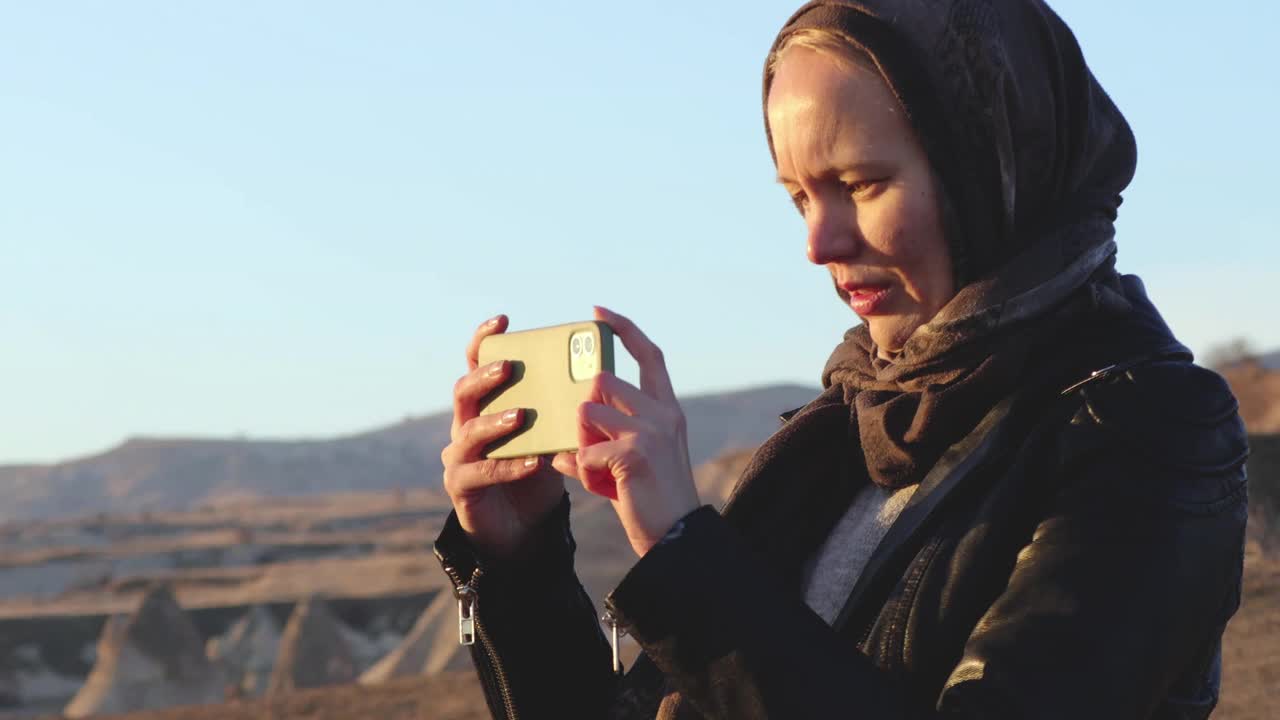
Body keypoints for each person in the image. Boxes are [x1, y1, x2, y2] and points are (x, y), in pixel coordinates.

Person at [434, 1, 1250, 718]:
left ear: (992, 164)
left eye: (859, 184)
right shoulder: (838, 437)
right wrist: (523, 563)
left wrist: (688, 554)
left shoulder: (1150, 430)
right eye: (798, 196)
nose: (817, 243)